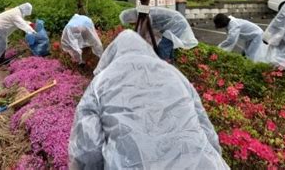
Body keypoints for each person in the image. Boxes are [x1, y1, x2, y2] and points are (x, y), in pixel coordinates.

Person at [69, 30, 229, 169]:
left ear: (112, 54)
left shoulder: (101, 83)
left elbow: (87, 148)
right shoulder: (174, 74)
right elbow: (206, 129)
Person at [119, 7, 198, 60]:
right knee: (167, 42)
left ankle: (164, 63)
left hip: (176, 23)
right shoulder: (140, 12)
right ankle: (169, 61)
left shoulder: (144, 15)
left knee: (164, 44)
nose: (132, 25)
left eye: (131, 23)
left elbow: (144, 33)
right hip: (175, 23)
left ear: (131, 18)